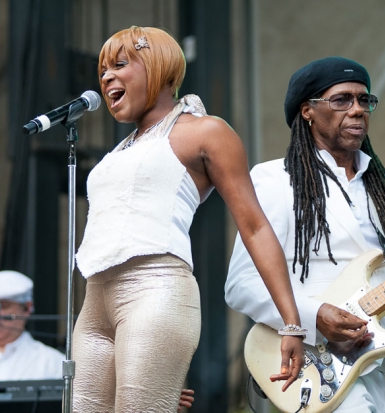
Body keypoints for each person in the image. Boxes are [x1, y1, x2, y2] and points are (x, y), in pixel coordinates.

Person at [225, 56, 385, 412]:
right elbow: (241, 284)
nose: (358, 109)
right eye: (342, 99)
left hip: (382, 369)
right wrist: (315, 316)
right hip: (312, 366)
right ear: (307, 111)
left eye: (364, 100)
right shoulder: (273, 181)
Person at [72, 26, 304, 413]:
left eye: (120, 65)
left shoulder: (205, 131)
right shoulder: (121, 150)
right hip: (94, 301)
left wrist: (291, 322)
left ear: (158, 66)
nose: (107, 77)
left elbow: (255, 226)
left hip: (154, 290)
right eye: (103, 72)